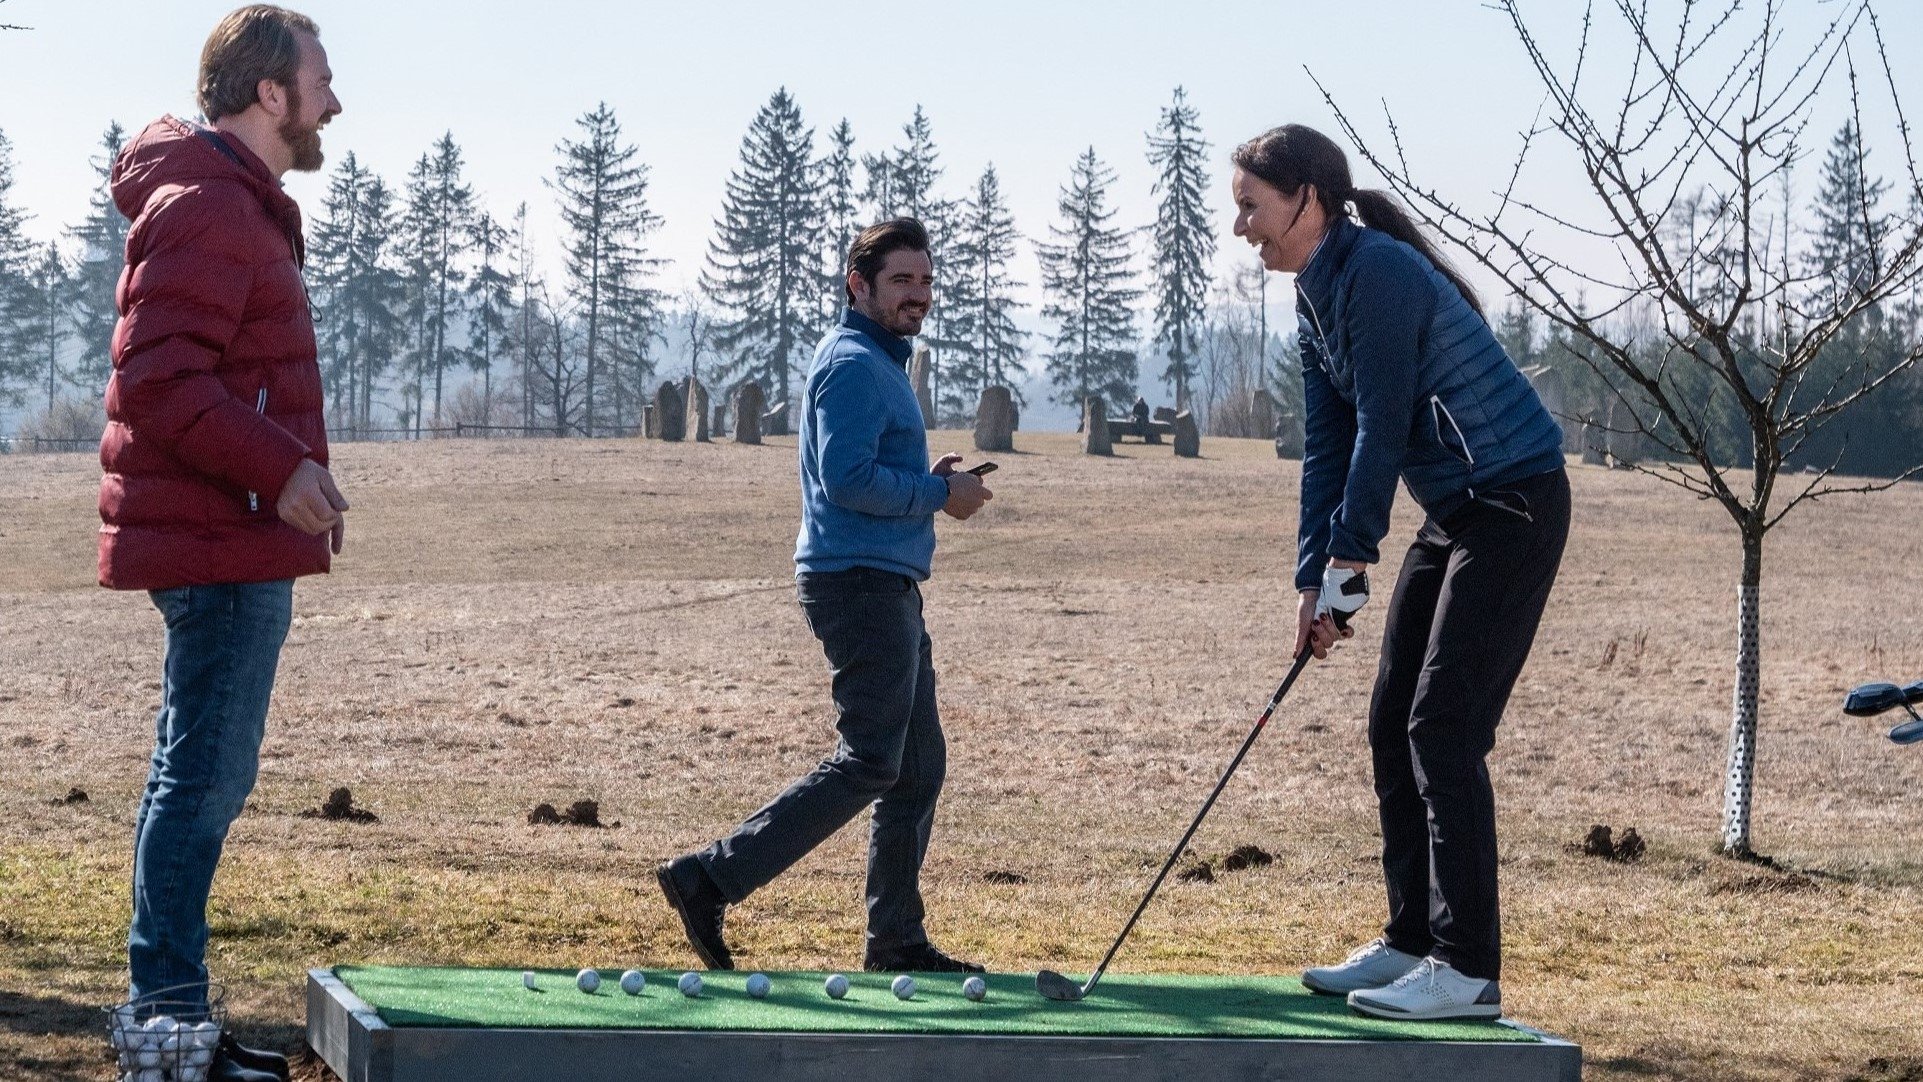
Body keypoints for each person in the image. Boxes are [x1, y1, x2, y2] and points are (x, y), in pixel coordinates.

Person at [1230, 125, 1570, 1021]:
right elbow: (1328, 447)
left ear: (1306, 199)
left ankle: (1466, 969)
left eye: (1251, 207)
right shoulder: (1315, 294)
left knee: (1442, 726)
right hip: (1456, 510)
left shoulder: (1376, 272)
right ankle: (1412, 941)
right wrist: (1313, 581)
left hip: (1514, 501)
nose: (1240, 227)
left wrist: (1350, 562)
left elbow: (1381, 428)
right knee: (1393, 721)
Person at [102, 7, 345, 1078]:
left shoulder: (232, 203)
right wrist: (281, 470)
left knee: (196, 776)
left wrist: (293, 473)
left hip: (232, 537)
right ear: (268, 93)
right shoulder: (210, 206)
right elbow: (159, 382)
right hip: (218, 542)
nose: (334, 102)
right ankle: (164, 1027)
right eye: (320, 82)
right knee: (200, 782)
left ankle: (172, 1018)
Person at [658, 218, 993, 974]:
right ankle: (708, 877)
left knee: (916, 767)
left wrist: (929, 480)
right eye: (901, 280)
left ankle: (895, 939)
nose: (917, 295)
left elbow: (864, 470)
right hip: (858, 585)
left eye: (925, 281)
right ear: (858, 285)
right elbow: (846, 480)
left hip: (883, 583)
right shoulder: (852, 364)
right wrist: (938, 494)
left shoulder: (874, 361)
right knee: (871, 761)